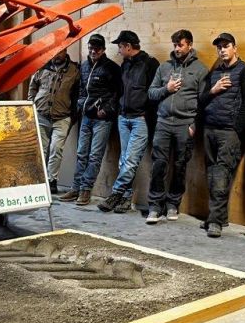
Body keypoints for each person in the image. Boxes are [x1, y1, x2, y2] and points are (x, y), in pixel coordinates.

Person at [145, 29, 208, 223]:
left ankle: (173, 204)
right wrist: (167, 89)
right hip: (163, 123)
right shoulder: (164, 68)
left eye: (180, 45)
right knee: (158, 165)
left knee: (180, 166)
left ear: (189, 44)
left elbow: (204, 101)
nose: (177, 48)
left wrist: (194, 125)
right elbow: (151, 93)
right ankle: (155, 206)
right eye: (174, 45)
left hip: (184, 125)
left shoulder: (200, 69)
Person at [198, 32, 245, 238]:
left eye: (226, 46)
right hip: (209, 129)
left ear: (235, 48)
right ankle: (219, 216)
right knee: (212, 175)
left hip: (228, 133)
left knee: (221, 176)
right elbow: (202, 100)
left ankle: (215, 221)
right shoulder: (214, 72)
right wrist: (213, 90)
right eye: (219, 47)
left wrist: (236, 130)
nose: (222, 50)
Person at [98, 30, 159, 214]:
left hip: (140, 119)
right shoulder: (125, 65)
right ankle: (125, 200)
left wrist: (148, 116)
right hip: (123, 118)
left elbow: (154, 93)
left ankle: (115, 193)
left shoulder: (150, 64)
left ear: (128, 46)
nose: (118, 51)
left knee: (131, 161)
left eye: (120, 47)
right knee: (124, 161)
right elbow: (120, 91)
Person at [58, 33, 121, 205]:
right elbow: (81, 90)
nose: (93, 51)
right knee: (81, 154)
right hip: (85, 116)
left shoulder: (112, 68)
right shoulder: (84, 67)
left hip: (102, 119)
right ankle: (76, 188)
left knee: (94, 155)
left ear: (103, 50)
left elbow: (117, 93)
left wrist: (106, 110)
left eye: (97, 49)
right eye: (91, 48)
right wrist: (80, 105)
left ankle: (86, 189)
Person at [28, 49, 79, 194]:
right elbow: (33, 87)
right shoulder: (42, 66)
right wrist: (31, 104)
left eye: (60, 52)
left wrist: (72, 117)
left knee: (56, 149)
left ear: (65, 52)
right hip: (41, 114)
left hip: (62, 117)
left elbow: (76, 95)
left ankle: (51, 180)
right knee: (41, 150)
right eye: (54, 52)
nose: (56, 55)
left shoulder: (74, 70)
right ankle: (39, 180)